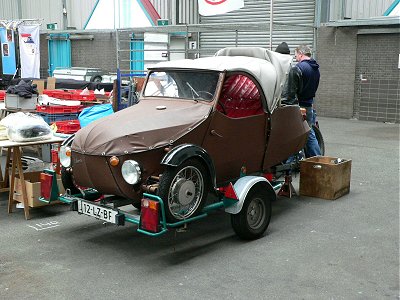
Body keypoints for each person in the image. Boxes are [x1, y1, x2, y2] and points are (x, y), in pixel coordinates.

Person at [277, 44, 321, 157]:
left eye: (296, 55)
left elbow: (289, 94)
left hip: (299, 107)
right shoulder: (316, 69)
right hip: (309, 106)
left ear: (301, 54)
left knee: (294, 134)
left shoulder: (298, 69)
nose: (296, 58)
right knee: (308, 132)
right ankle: (317, 159)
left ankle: (292, 160)